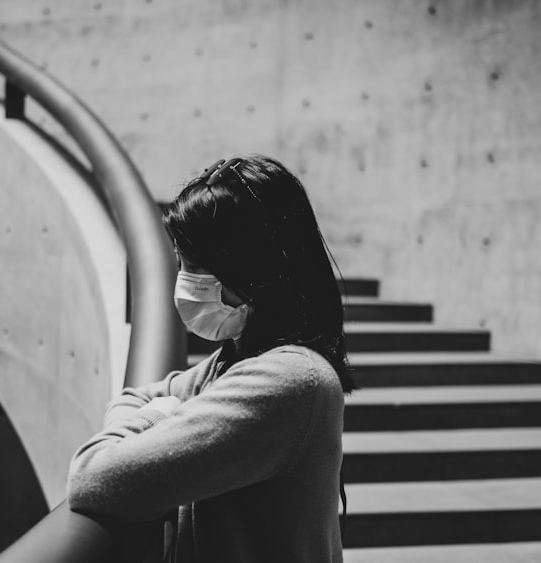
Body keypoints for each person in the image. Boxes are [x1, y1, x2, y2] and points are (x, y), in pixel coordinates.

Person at [66, 155, 356, 563]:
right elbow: (139, 394)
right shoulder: (237, 360)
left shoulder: (289, 381)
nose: (184, 279)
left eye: (197, 266)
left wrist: (157, 417)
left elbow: (94, 476)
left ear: (255, 269)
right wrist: (160, 411)